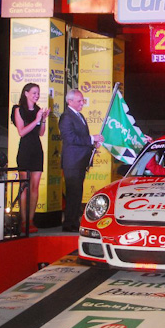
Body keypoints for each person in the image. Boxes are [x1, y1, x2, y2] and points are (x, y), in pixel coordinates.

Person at [58, 89, 103, 233]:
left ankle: (74, 221)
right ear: (69, 101)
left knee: (77, 193)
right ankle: (68, 223)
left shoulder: (80, 116)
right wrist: (91, 138)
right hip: (72, 161)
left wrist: (93, 143)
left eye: (82, 100)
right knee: (73, 193)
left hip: (81, 161)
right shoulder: (66, 117)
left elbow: (81, 139)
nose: (82, 103)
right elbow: (70, 138)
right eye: (79, 101)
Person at [11, 83, 49, 234]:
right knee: (24, 187)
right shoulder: (18, 109)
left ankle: (31, 220)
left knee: (35, 187)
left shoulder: (38, 110)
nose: (36, 95)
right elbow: (21, 132)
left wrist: (43, 119)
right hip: (25, 150)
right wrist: (36, 119)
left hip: (37, 150)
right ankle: (23, 220)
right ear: (26, 93)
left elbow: (41, 133)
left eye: (38, 93)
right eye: (34, 93)